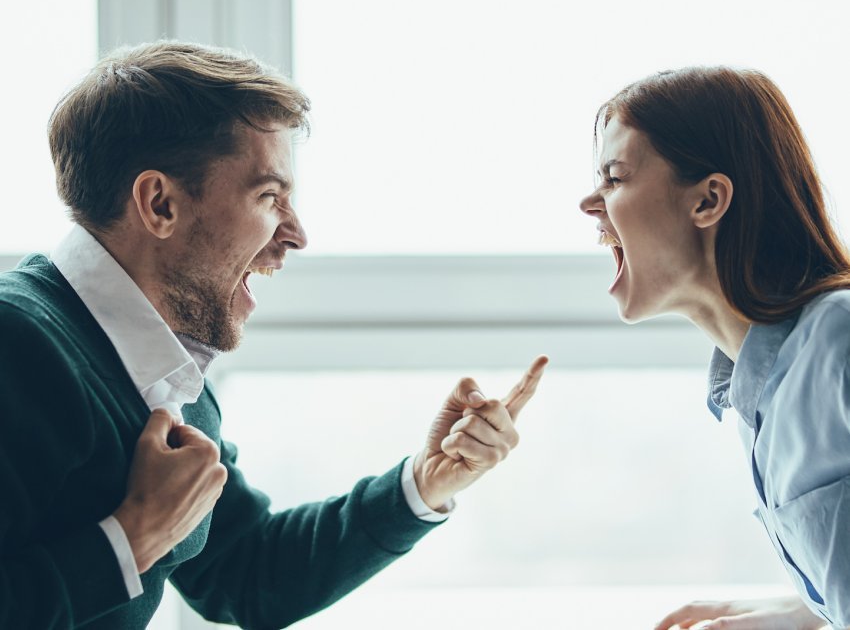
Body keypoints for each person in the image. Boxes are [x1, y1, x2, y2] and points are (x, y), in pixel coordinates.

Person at [0, 41, 548, 629]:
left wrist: (421, 483)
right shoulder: (16, 346)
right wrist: (130, 540)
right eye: (269, 196)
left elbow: (242, 574)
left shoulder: (163, 368)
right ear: (160, 203)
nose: (297, 234)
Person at [580, 66, 850, 630]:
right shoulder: (757, 390)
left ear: (708, 200)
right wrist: (793, 616)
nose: (590, 203)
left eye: (614, 177)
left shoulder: (838, 339)